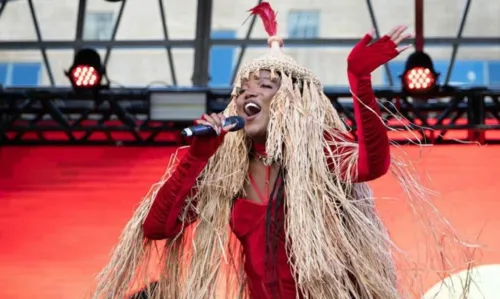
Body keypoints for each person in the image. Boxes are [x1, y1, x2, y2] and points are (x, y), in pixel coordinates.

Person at [93, 3, 474, 299]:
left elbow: (372, 164)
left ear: (293, 102)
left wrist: (360, 79)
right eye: (243, 90)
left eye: (265, 87)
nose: (248, 94)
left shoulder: (318, 152)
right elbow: (157, 228)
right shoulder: (229, 170)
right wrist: (197, 156)